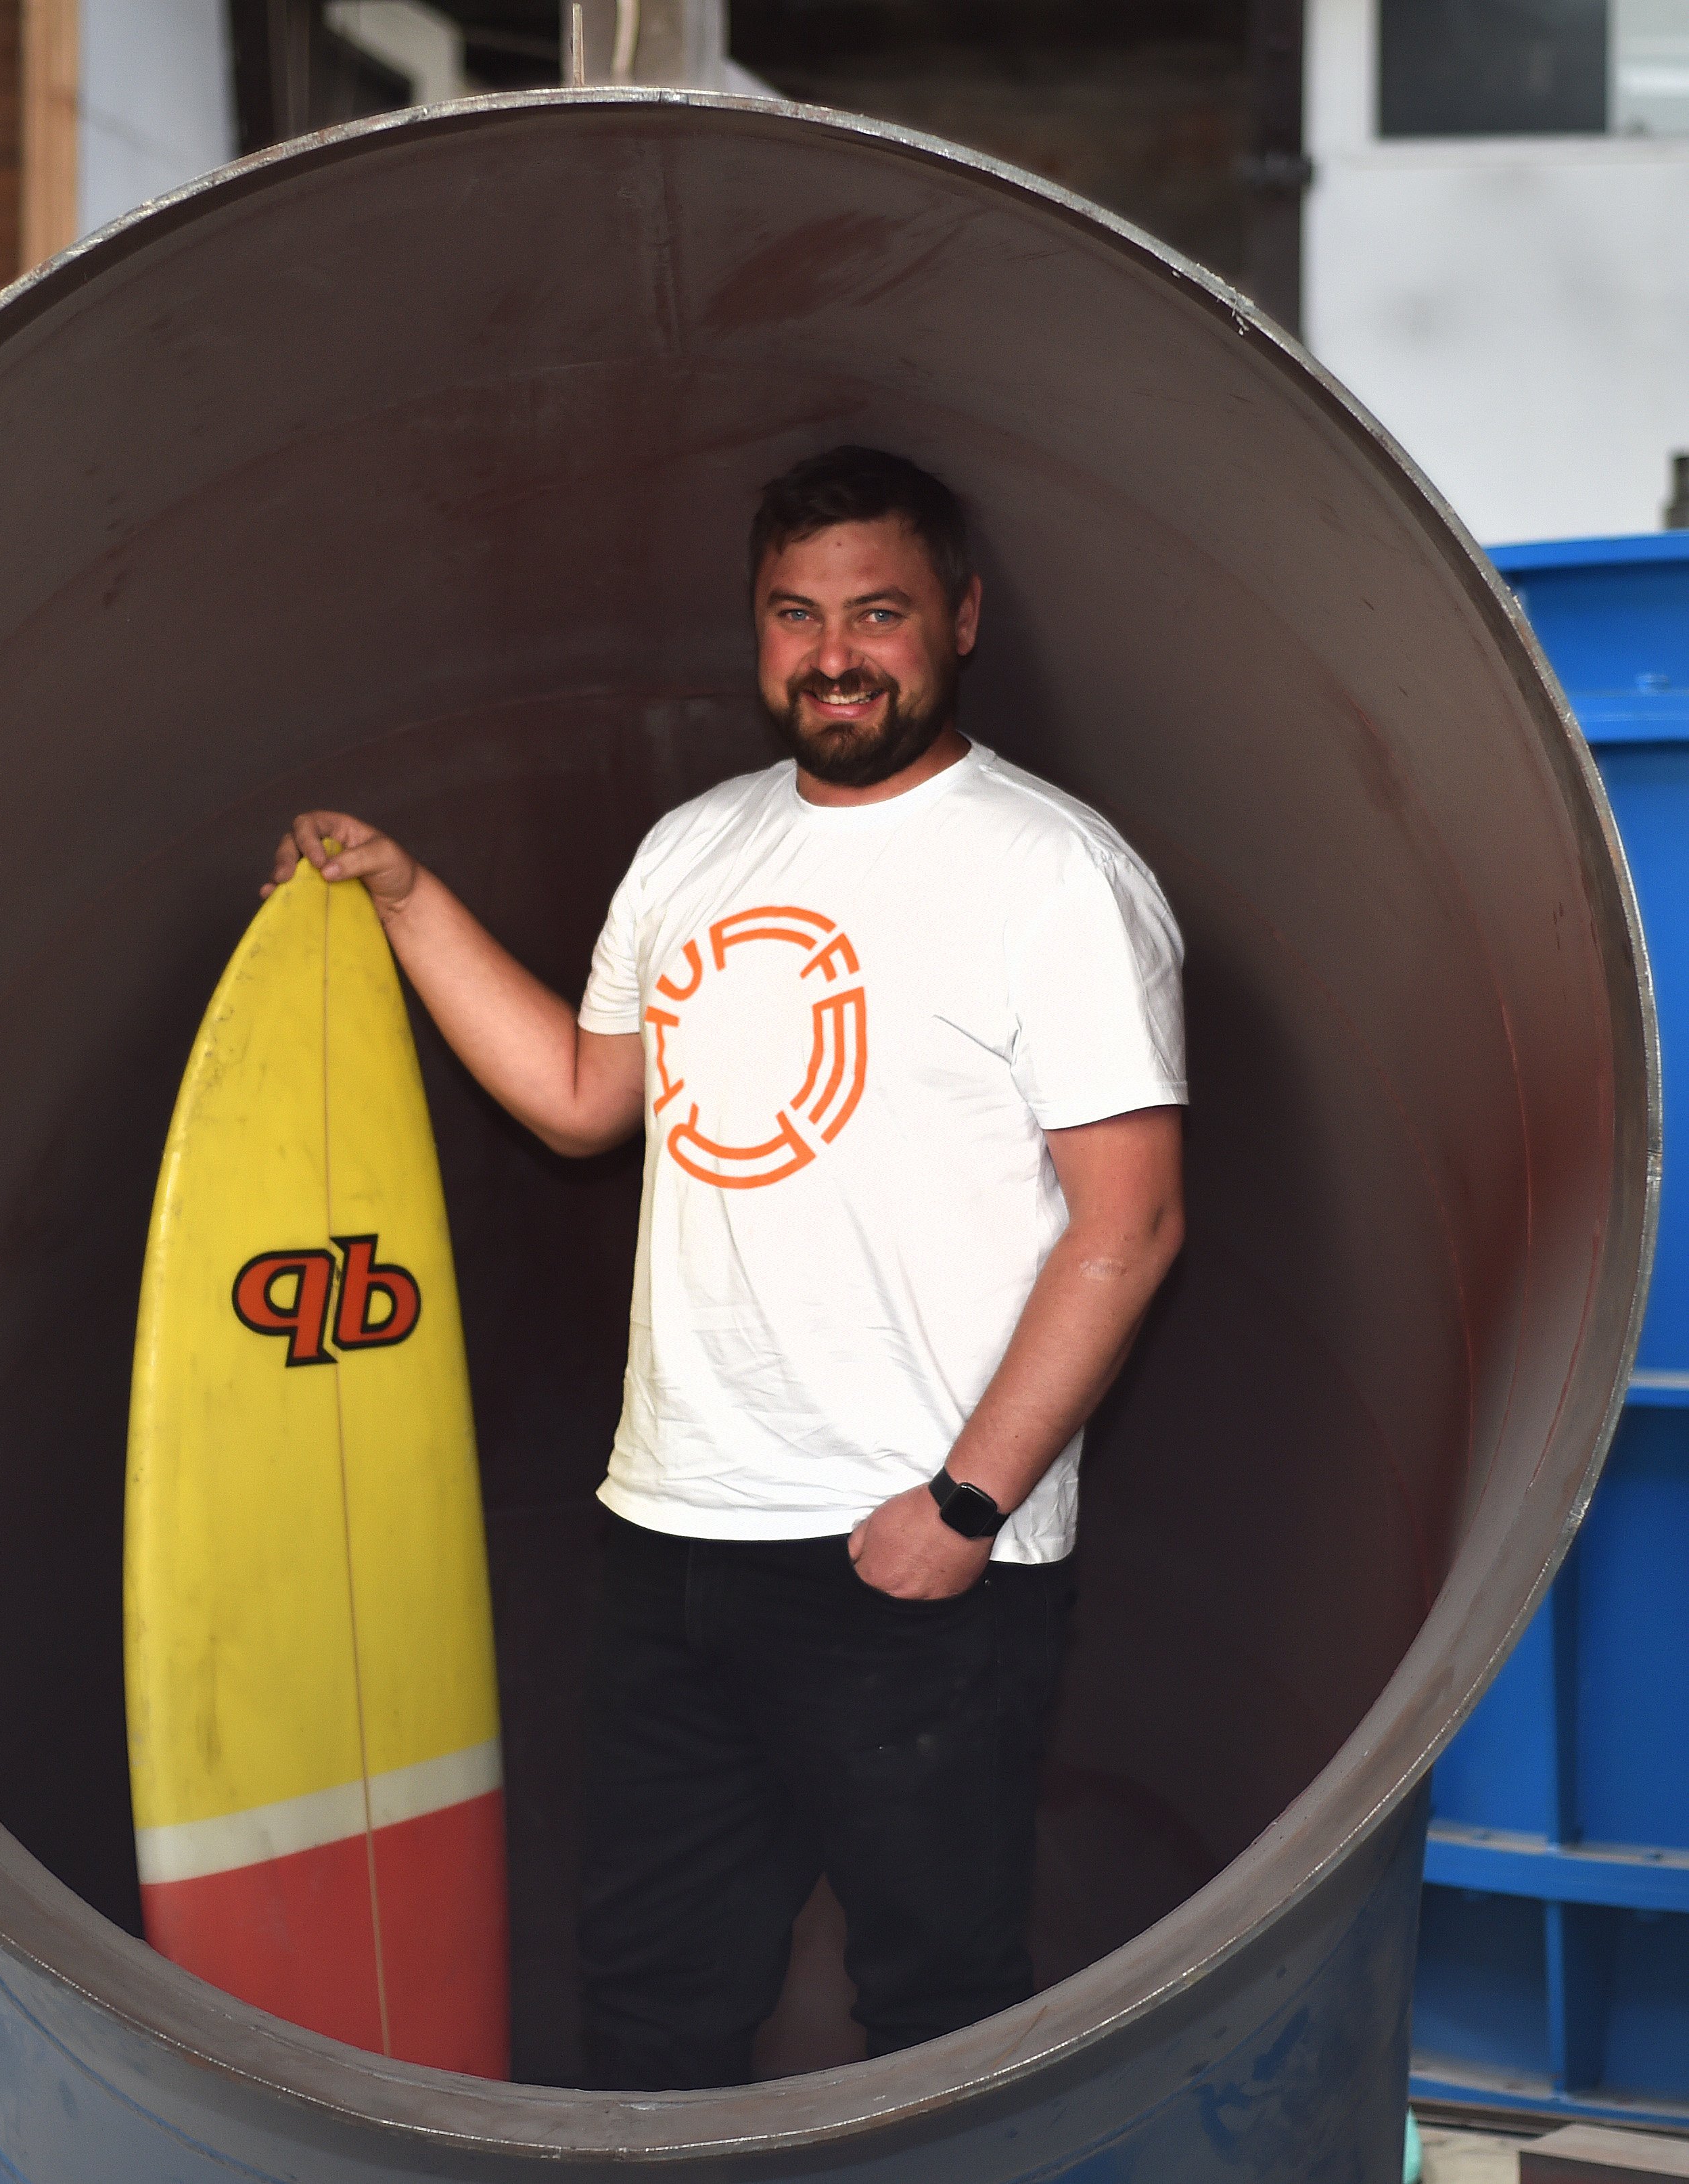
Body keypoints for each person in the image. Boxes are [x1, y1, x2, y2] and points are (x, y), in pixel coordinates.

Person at [265, 444, 1186, 2089]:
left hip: (912, 1558)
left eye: (879, 611)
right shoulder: (692, 850)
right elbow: (576, 1098)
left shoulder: (1054, 876)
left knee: (937, 2015)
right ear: (758, 635)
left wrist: (963, 1507)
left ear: (959, 622)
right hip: (678, 1537)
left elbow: (1131, 1225)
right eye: (796, 613)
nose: (836, 651)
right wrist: (403, 899)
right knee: (651, 2004)